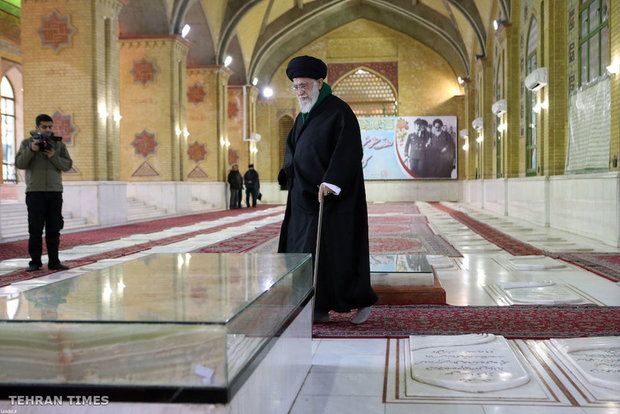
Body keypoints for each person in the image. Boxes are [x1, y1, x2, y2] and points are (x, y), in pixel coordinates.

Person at [277, 55, 377, 324]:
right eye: (296, 86)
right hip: (302, 200)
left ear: (320, 82)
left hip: (331, 201)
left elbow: (349, 150)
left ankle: (360, 301)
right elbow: (293, 150)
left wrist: (331, 181)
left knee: (337, 253)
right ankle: (316, 306)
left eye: (305, 86)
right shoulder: (302, 117)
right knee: (304, 253)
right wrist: (288, 173)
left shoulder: (338, 111)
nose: (300, 91)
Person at [14, 114, 73, 272]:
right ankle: (35, 262)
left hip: (54, 192)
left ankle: (54, 261)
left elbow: (67, 165)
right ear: (37, 127)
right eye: (44, 127)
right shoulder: (27, 143)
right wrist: (31, 150)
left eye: (50, 127)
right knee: (35, 229)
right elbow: (19, 163)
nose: (48, 130)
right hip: (35, 192)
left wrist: (53, 156)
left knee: (54, 229)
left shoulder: (58, 145)